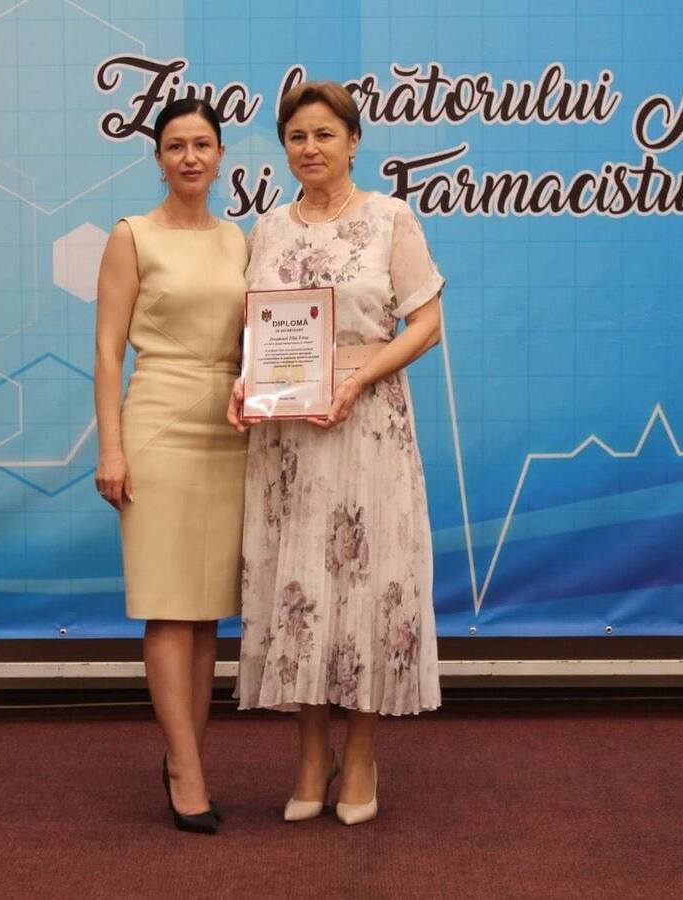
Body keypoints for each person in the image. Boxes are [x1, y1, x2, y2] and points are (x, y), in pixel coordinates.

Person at [228, 81, 444, 826]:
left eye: (325, 134)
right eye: (297, 136)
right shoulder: (268, 228)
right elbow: (257, 332)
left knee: (367, 585)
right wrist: (245, 382)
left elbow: (427, 325)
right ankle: (309, 753)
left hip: (366, 425)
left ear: (354, 142)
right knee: (300, 591)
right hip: (289, 439)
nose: (310, 148)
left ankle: (361, 755)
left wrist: (356, 380)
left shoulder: (391, 219)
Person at [94, 98, 248, 835]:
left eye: (203, 144)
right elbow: (107, 352)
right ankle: (186, 771)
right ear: (158, 158)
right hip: (156, 423)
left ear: (220, 156)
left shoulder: (239, 239)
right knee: (167, 601)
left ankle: (188, 756)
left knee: (207, 606)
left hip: (230, 429)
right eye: (176, 145)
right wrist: (112, 446)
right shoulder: (132, 235)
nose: (190, 157)